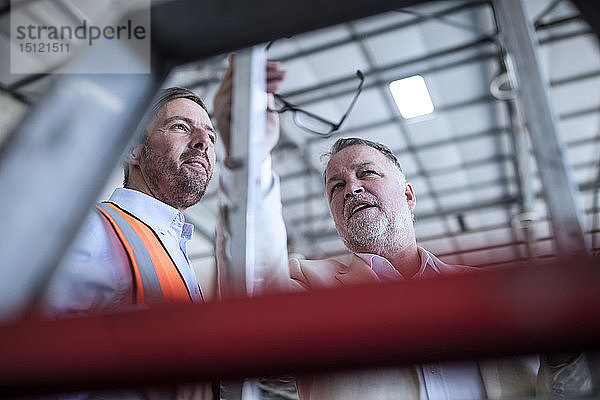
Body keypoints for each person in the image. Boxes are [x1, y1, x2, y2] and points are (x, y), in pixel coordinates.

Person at [212, 59, 593, 400]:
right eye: (336, 186)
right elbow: (254, 279)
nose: (352, 188)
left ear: (409, 195)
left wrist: (564, 360)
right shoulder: (308, 286)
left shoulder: (491, 295)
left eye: (366, 173)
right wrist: (249, 155)